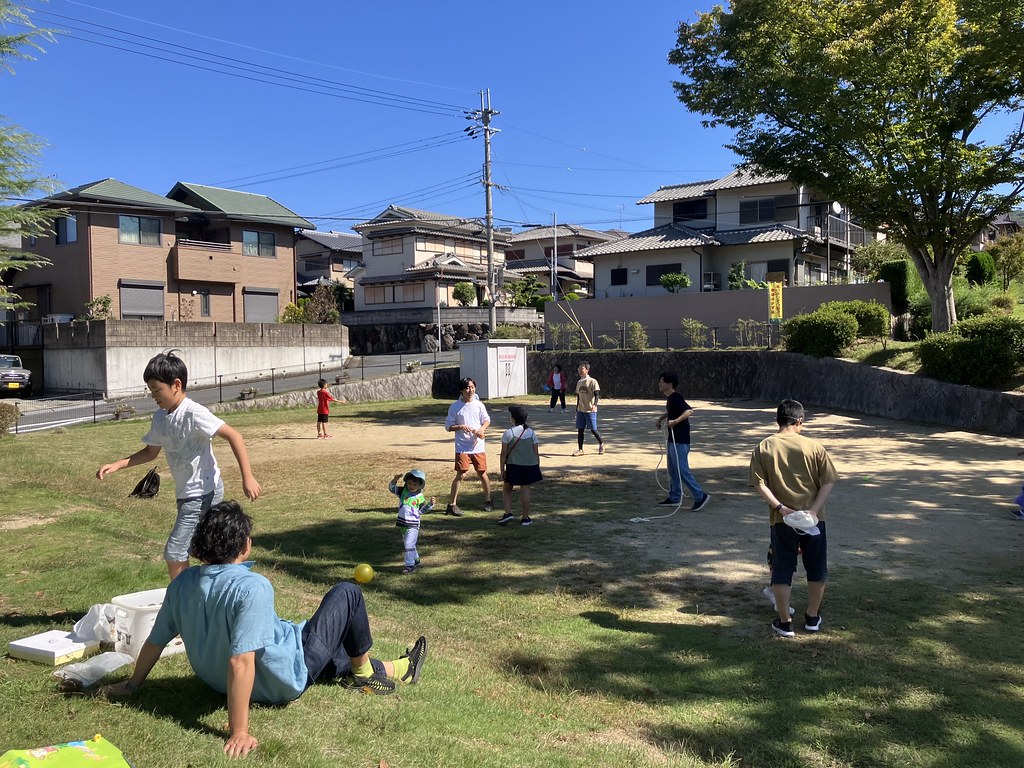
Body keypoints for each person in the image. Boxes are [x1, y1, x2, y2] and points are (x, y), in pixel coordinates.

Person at [101, 501, 427, 759]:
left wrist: (132, 684)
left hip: (218, 684)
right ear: (245, 545)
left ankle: (400, 668)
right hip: (284, 678)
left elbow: (155, 641)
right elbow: (241, 661)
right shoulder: (252, 587)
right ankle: (365, 673)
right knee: (348, 594)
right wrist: (238, 730)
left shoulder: (182, 583)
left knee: (337, 650)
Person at [96, 351, 261, 581]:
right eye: (151, 391)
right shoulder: (161, 418)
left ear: (176, 384)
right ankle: (217, 583)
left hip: (203, 492)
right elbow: (150, 452)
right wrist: (117, 465)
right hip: (186, 495)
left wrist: (248, 477)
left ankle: (182, 600)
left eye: (157, 390)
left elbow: (234, 436)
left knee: (175, 552)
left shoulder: (194, 413)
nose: (154, 396)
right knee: (199, 548)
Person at [748, 399, 839, 638]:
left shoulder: (763, 447)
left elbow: (759, 484)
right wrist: (814, 510)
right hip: (814, 521)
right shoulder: (814, 447)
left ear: (778, 420)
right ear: (799, 421)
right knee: (816, 568)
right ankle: (811, 616)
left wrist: (780, 507)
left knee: (782, 569)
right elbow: (829, 480)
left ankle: (785, 621)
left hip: (782, 520)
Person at [654, 372, 710, 511]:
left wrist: (675, 421)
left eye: (662, 381)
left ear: (669, 384)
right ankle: (675, 496)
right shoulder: (671, 399)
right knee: (673, 470)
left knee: (682, 470)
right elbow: (673, 411)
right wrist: (662, 417)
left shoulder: (676, 397)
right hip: (673, 440)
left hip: (680, 440)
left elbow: (689, 411)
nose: (659, 384)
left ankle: (700, 496)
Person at [443, 377, 492, 516]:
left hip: (478, 446)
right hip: (462, 446)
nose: (470, 390)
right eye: (467, 388)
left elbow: (486, 420)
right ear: (461, 390)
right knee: (461, 474)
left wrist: (482, 430)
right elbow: (448, 426)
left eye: (472, 387)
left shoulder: (479, 405)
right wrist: (459, 426)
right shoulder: (455, 407)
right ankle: (451, 505)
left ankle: (488, 501)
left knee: (482, 473)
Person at [498, 405, 541, 526]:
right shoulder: (531, 433)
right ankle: (525, 517)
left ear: (513, 419)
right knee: (525, 490)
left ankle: (508, 513)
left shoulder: (509, 433)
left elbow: (503, 454)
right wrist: (537, 467)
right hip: (529, 465)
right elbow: (536, 452)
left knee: (507, 489)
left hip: (514, 465)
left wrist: (502, 470)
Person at [389, 469, 436, 573]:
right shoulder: (403, 491)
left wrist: (430, 505)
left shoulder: (420, 497)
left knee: (408, 544)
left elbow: (422, 511)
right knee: (409, 543)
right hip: (402, 523)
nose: (411, 486)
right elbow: (392, 489)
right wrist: (395, 479)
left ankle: (409, 566)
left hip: (413, 525)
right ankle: (416, 559)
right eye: (409, 483)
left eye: (414, 484)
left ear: (420, 486)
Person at [572, 361, 605, 456]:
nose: (579, 370)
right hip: (581, 410)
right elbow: (578, 397)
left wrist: (595, 405)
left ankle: (601, 444)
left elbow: (597, 394)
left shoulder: (592, 381)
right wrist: (576, 410)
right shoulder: (579, 382)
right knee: (580, 429)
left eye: (582, 368)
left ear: (587, 370)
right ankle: (580, 449)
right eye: (579, 368)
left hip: (590, 409)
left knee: (593, 429)